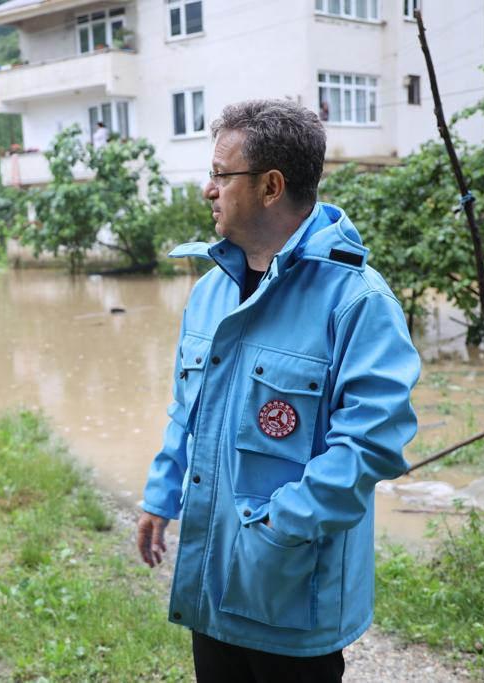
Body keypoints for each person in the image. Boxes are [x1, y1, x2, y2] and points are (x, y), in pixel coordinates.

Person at [136, 99, 420, 682]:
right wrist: (162, 495)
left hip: (291, 597)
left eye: (220, 174)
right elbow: (185, 409)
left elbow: (369, 447)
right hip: (211, 587)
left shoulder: (357, 301)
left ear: (270, 187)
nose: (207, 189)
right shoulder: (211, 292)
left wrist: (273, 533)